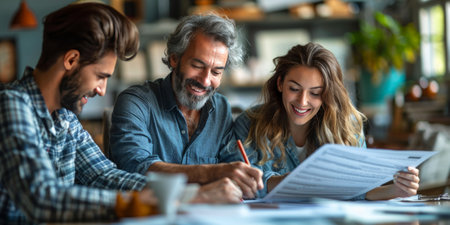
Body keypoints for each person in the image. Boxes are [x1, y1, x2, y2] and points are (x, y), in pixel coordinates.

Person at [0, 3, 242, 224]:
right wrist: (178, 200)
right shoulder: (11, 104)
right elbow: (41, 197)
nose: (101, 89)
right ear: (71, 60)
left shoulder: (65, 118)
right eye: (100, 76)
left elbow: (105, 176)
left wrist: (189, 194)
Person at [234, 43, 420, 200]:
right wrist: (297, 181)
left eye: (315, 93)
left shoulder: (347, 126)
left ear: (328, 94)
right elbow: (242, 186)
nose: (302, 101)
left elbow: (354, 191)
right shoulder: (250, 123)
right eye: (294, 88)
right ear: (280, 83)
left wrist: (395, 190)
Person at [109, 14, 263, 198]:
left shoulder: (221, 108)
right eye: (197, 65)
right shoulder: (135, 102)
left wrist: (244, 178)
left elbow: (232, 168)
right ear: (174, 59)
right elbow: (135, 167)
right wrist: (213, 172)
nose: (205, 80)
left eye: (216, 72)